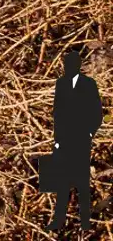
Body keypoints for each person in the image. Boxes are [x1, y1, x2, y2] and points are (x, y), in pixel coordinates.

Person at [43, 44, 102, 232]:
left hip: (81, 139)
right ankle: (59, 219)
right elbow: (57, 113)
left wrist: (89, 133)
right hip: (63, 139)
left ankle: (85, 222)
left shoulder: (89, 84)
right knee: (62, 180)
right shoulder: (61, 84)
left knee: (82, 180)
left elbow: (97, 113)